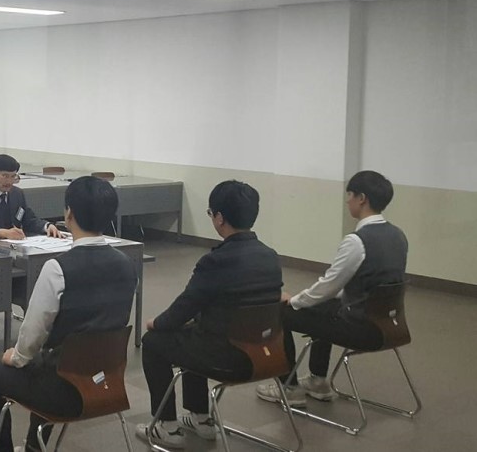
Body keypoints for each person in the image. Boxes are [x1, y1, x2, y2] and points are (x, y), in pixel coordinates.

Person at [0, 176, 138, 452]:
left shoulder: (58, 269)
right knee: (49, 361)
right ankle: (33, 448)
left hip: (63, 392)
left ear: (69, 213)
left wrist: (16, 356)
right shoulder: (126, 264)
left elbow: (32, 333)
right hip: (107, 383)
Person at [136, 180, 283, 450]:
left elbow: (184, 307)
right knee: (194, 331)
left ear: (219, 218)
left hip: (229, 358)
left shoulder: (215, 261)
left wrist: (156, 322)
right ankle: (201, 419)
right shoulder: (270, 256)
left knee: (154, 342)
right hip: (268, 354)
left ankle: (166, 425)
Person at [256, 170, 408, 407]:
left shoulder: (357, 242)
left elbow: (328, 286)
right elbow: (363, 285)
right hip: (390, 326)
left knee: (281, 314)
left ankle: (289, 388)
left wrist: (293, 301)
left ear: (362, 198)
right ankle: (317, 381)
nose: (347, 201)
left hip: (361, 330)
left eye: (350, 195)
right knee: (325, 306)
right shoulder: (398, 235)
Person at [0, 154, 62, 240]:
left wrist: (47, 226)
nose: (9, 181)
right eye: (5, 176)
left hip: (14, 244)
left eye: (13, 176)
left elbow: (29, 219)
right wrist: (3, 232)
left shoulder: (17, 194)